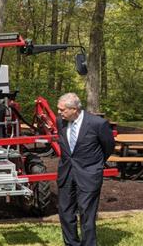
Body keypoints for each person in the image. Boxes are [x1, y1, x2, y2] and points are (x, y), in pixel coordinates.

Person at [56, 93, 115, 246]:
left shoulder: (98, 124)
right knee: (65, 212)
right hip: (66, 174)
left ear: (74, 109)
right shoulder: (60, 122)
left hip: (89, 174)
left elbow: (108, 147)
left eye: (62, 110)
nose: (59, 113)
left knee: (87, 214)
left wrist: (95, 165)